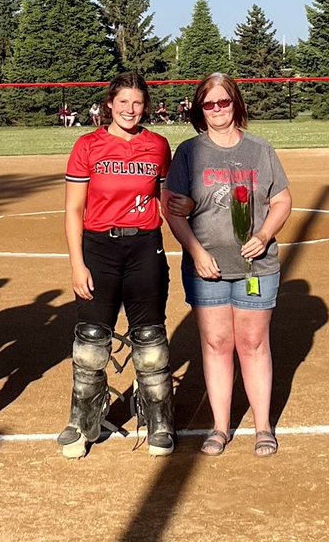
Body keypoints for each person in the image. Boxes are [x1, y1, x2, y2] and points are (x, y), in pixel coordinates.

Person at [164, 73, 292, 457]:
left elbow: (282, 200)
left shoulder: (259, 150)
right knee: (217, 343)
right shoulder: (189, 152)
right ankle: (220, 427)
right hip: (208, 268)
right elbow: (172, 209)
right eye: (209, 104)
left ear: (236, 103)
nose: (217, 110)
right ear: (199, 110)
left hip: (256, 266)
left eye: (224, 102)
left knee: (253, 343)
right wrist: (197, 252)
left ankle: (262, 427)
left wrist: (265, 235)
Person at [57, 72, 182, 459]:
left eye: (138, 103)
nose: (130, 110)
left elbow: (168, 200)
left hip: (144, 246)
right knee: (92, 341)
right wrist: (78, 264)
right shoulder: (88, 145)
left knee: (150, 341)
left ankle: (159, 416)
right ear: (110, 104)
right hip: (99, 248)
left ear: (146, 106)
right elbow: (74, 209)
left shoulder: (158, 146)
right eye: (123, 102)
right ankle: (83, 419)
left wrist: (189, 209)